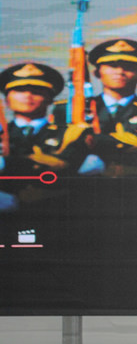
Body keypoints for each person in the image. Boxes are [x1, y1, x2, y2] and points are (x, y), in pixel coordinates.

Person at [74, 39, 137, 227]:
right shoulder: (74, 109)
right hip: (85, 192)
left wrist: (90, 141)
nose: (120, 72)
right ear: (97, 73)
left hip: (135, 193)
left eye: (129, 67)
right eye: (112, 66)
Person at [0, 63, 93, 245]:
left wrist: (6, 163)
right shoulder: (3, 134)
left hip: (53, 217)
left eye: (37, 91)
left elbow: (65, 165)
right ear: (7, 100)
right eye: (19, 90)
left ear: (50, 99)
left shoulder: (71, 133)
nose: (28, 95)